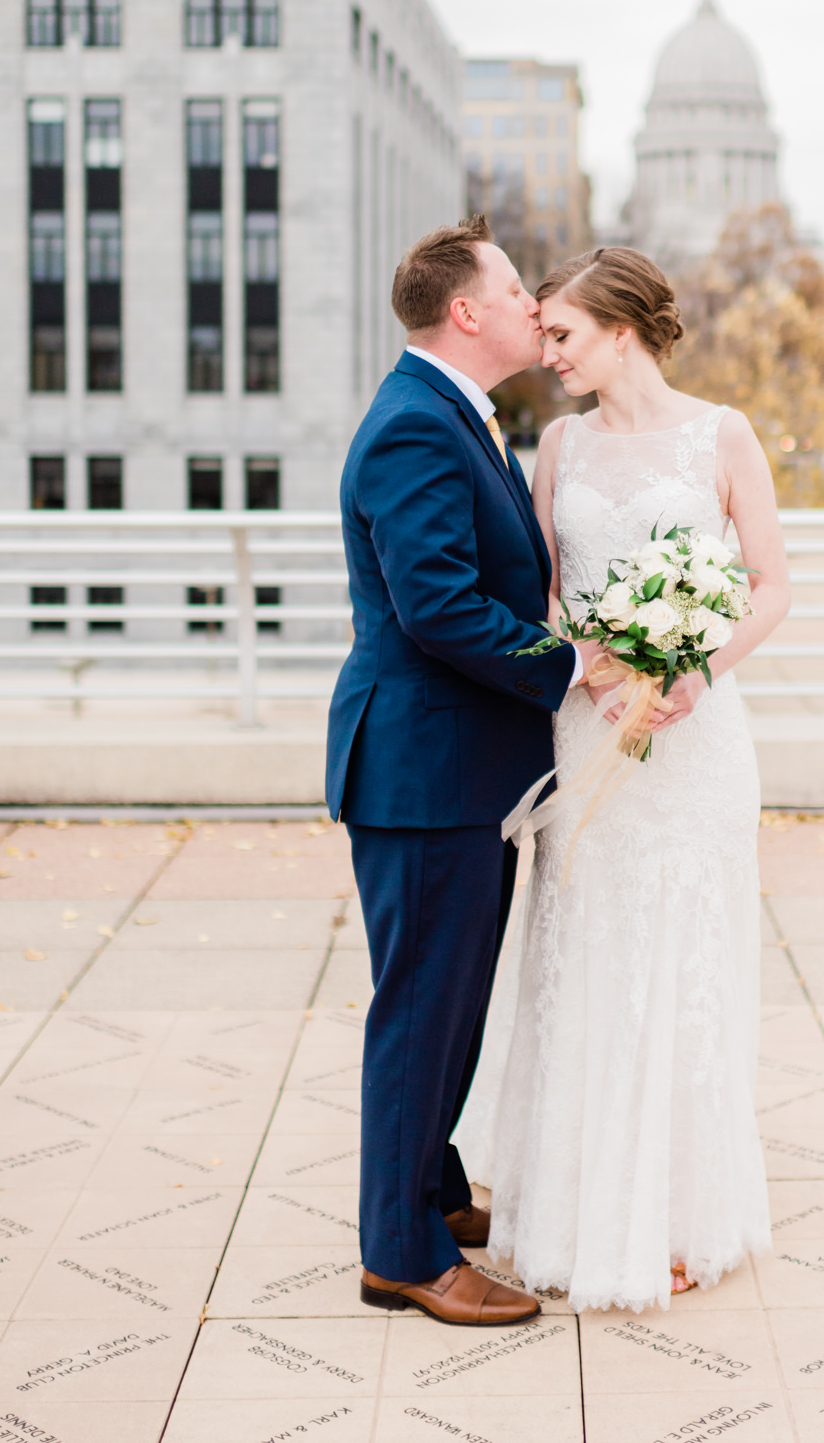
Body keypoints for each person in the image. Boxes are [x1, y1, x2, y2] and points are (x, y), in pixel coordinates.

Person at [456, 245, 791, 1312]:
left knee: (685, 956)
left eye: (560, 333)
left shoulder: (722, 434)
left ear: (621, 329)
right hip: (587, 728)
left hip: (694, 740)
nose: (542, 350)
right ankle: (572, 1208)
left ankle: (680, 1216)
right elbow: (550, 596)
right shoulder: (555, 443)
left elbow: (771, 586)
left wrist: (693, 667)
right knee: (587, 956)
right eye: (540, 330)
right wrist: (589, 672)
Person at [326, 215, 582, 1326]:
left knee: (448, 1000)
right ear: (465, 311)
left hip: (460, 771)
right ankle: (402, 1255)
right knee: (423, 1009)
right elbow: (436, 607)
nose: (537, 305)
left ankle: (427, 1192)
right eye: (518, 288)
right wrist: (571, 664)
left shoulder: (454, 416)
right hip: (423, 770)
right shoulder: (414, 430)